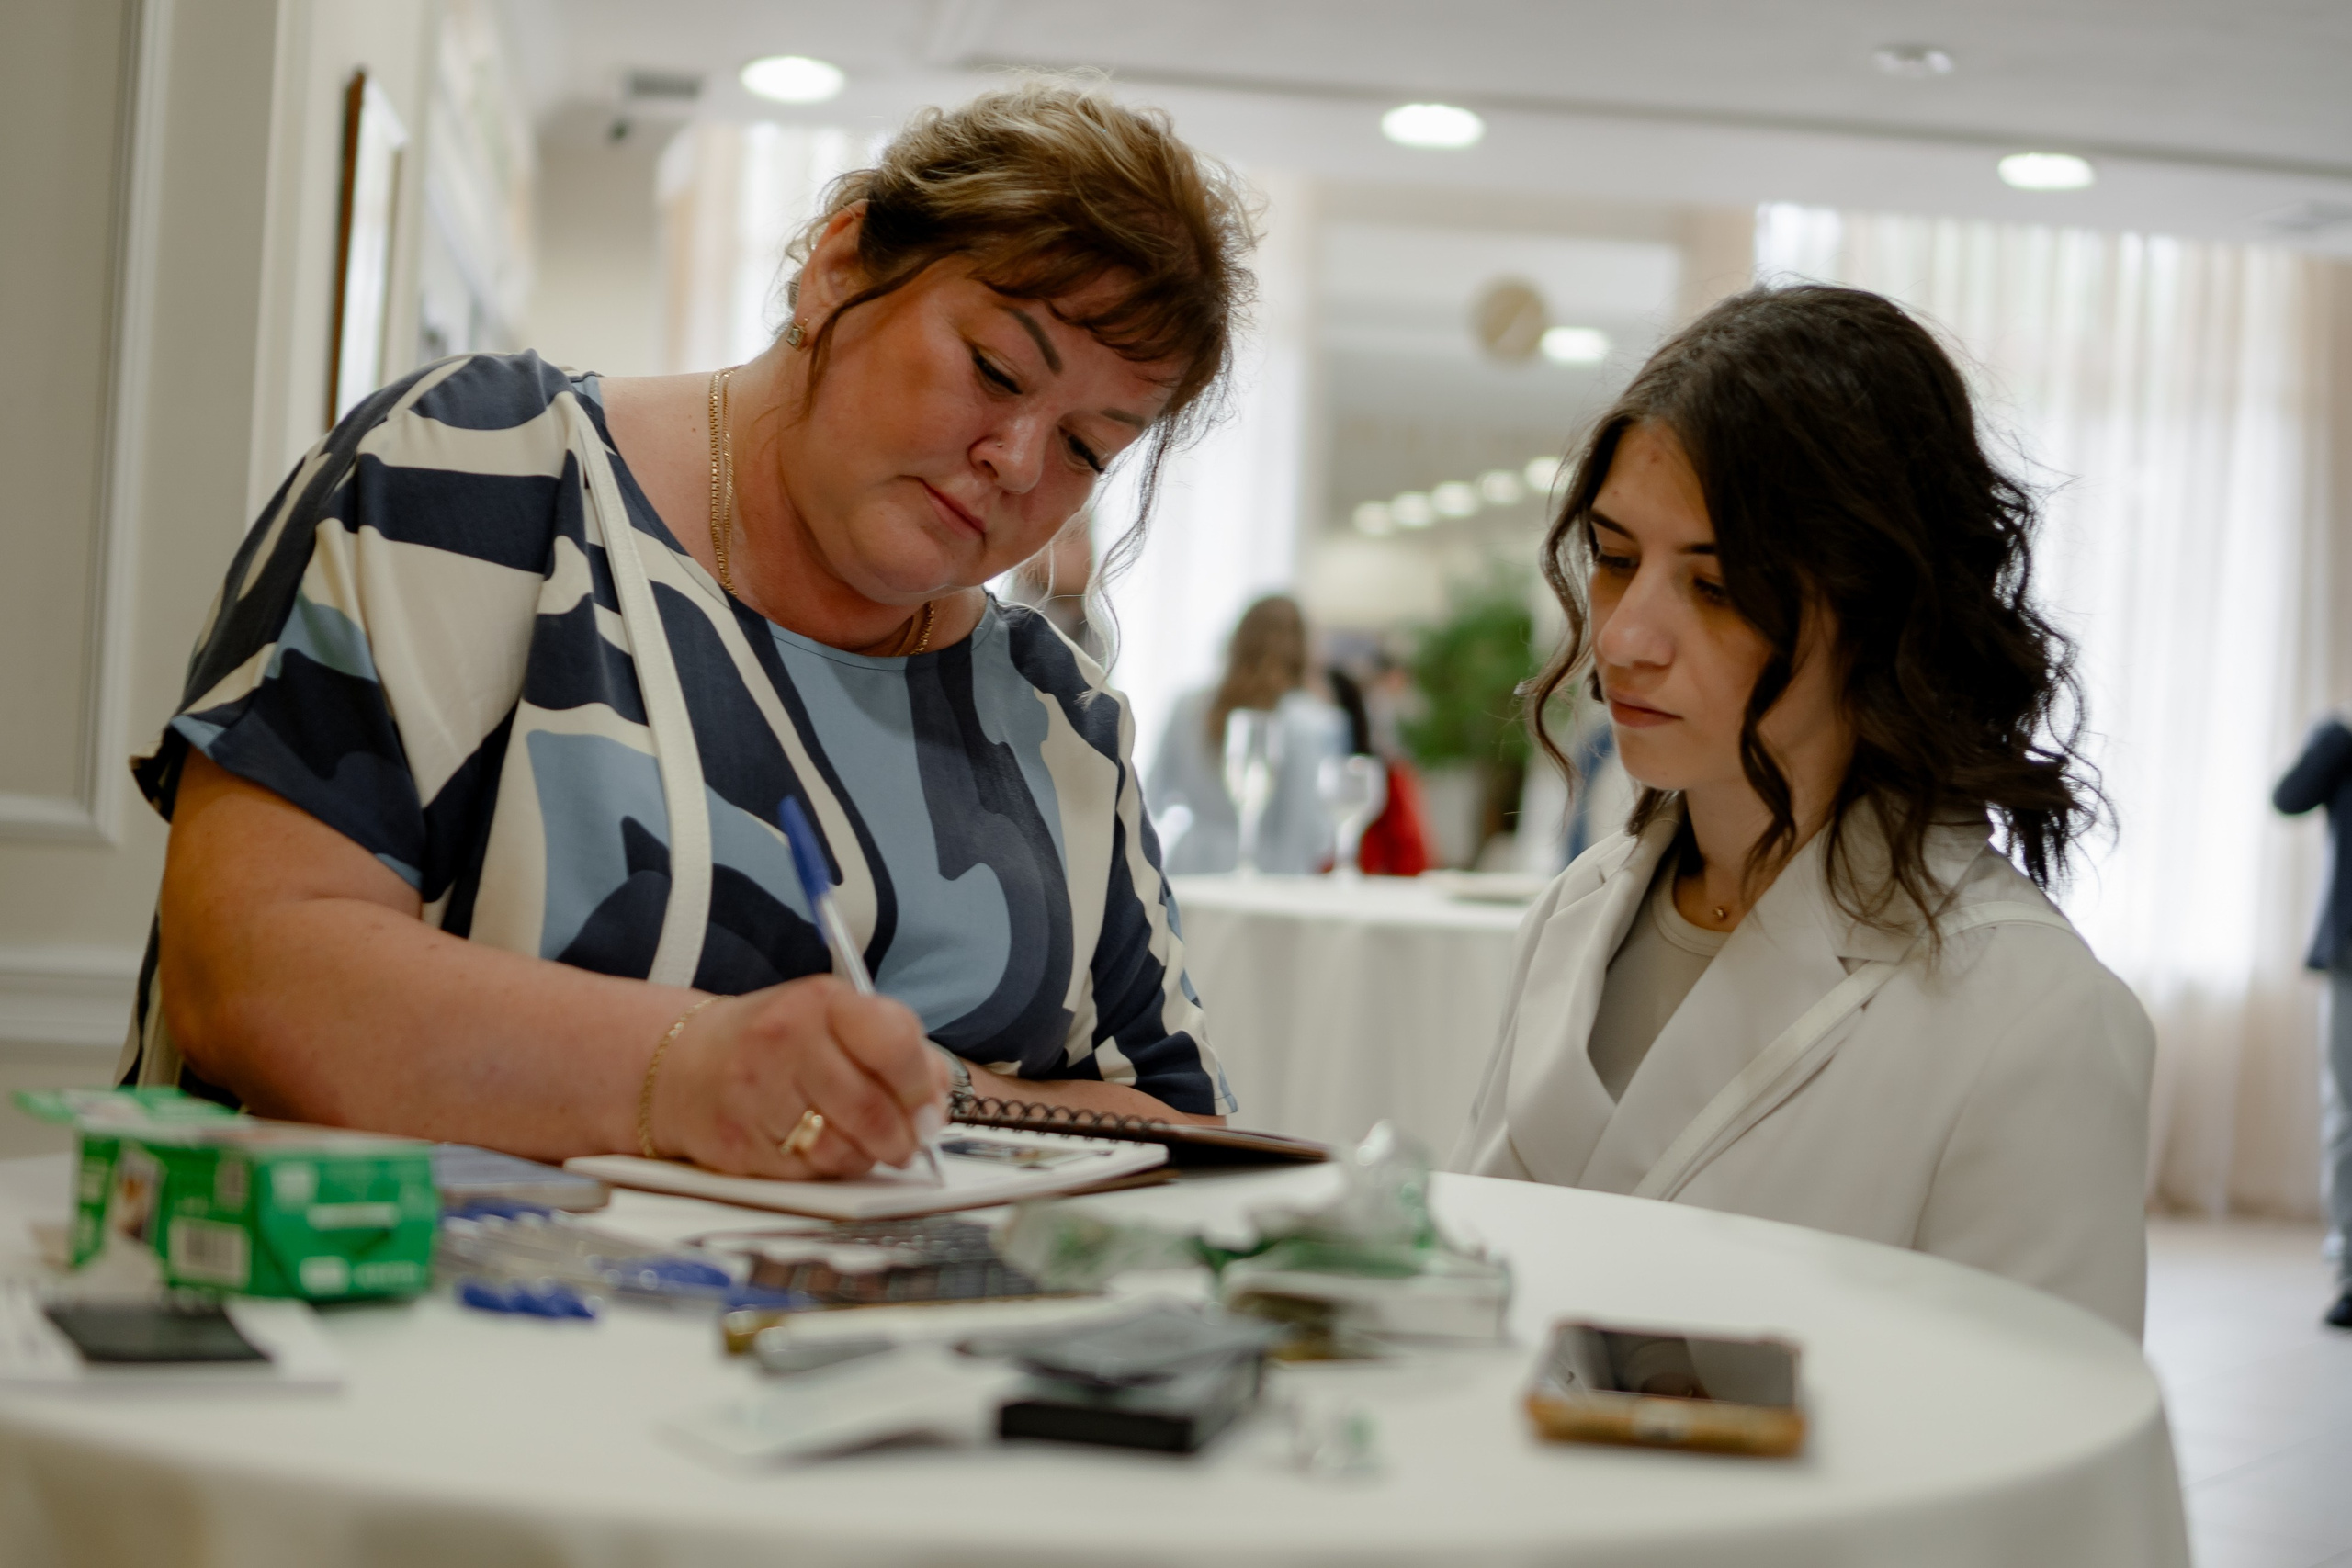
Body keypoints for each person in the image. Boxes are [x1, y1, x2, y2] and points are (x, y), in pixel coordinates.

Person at [122, 80, 1252, 1179]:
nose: (1015, 461)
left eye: (1086, 450)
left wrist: (909, 1091)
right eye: (995, 370)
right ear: (840, 265)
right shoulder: (481, 482)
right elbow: (251, 973)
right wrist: (691, 1072)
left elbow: (1177, 1120)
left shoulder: (1052, 715)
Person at [1450, 285, 2156, 1337]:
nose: (1626, 637)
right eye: (1613, 558)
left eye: (1718, 584)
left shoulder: (2033, 1017)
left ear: (1879, 609)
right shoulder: (1577, 913)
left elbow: (2030, 1455)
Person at [1146, 595, 1344, 874]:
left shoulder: (1187, 707)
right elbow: (1311, 831)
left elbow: (1153, 796)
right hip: (1272, 873)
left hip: (1189, 868)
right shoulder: (1310, 722)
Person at [2271, 716, 2352, 1329]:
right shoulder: (2341, 737)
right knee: (2347, 1118)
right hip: (2349, 952)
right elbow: (2289, 798)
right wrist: (2340, 730)